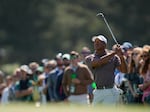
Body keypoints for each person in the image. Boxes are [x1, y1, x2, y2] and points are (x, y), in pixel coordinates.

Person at [85, 35, 127, 105]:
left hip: (110, 90)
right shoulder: (89, 58)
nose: (96, 43)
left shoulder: (114, 57)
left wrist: (121, 56)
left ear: (104, 44)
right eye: (95, 42)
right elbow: (97, 63)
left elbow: (124, 70)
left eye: (99, 42)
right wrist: (114, 53)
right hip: (97, 91)